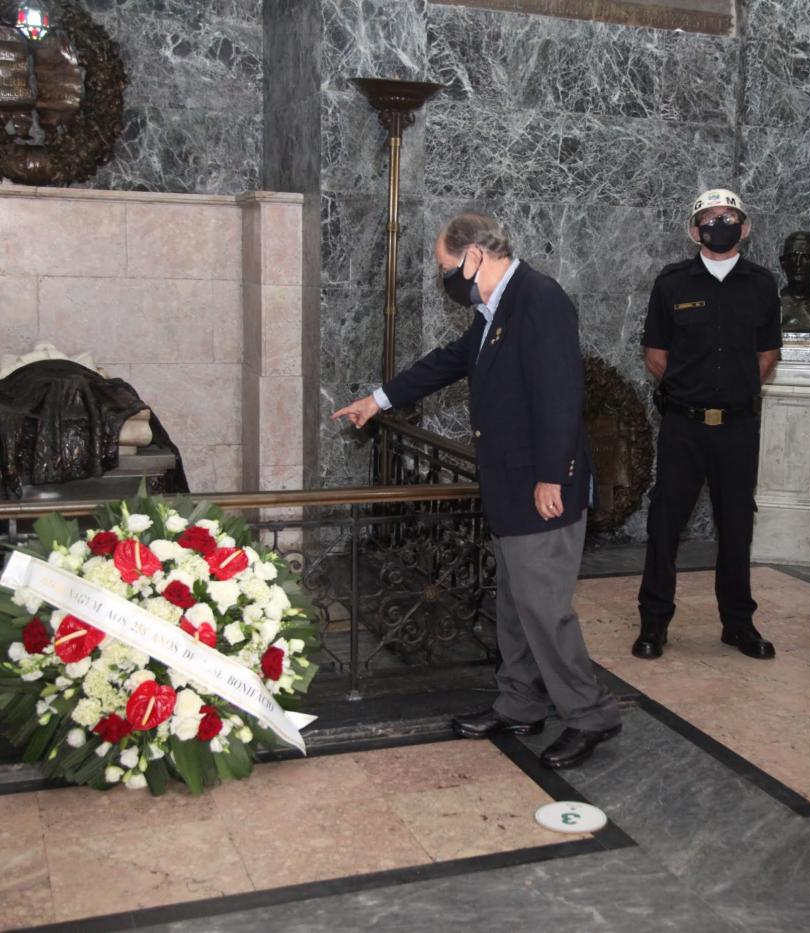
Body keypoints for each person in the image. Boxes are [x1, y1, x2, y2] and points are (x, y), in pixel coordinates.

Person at [332, 212, 622, 770]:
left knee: (545, 609)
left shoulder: (540, 299)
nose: (446, 279)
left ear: (474, 257)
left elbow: (562, 395)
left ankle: (591, 714)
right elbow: (448, 363)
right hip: (510, 485)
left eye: (447, 267)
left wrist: (552, 476)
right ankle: (520, 702)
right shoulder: (495, 311)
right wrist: (379, 399)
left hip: (542, 487)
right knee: (514, 606)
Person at [633, 188, 781, 661]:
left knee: (736, 527)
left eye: (730, 216)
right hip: (684, 426)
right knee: (664, 526)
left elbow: (768, 355)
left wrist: (731, 391)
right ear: (695, 230)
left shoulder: (762, 284)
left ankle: (738, 624)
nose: (722, 224)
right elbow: (655, 355)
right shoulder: (672, 283)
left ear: (746, 226)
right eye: (712, 218)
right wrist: (694, 389)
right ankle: (654, 624)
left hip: (737, 428)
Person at [778, 231, 810, 333]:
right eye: (792, 256)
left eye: (806, 257)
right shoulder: (771, 305)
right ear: (782, 262)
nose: (798, 263)